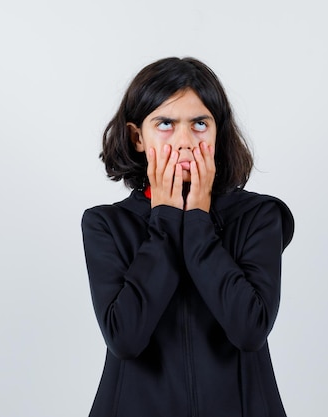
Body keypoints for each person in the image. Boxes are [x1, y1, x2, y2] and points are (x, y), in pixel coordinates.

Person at [81, 57, 294, 417]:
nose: (185, 141)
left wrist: (197, 219)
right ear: (137, 137)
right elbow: (125, 339)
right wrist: (164, 220)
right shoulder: (106, 224)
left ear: (218, 133)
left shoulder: (259, 216)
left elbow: (249, 331)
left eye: (199, 123)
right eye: (165, 123)